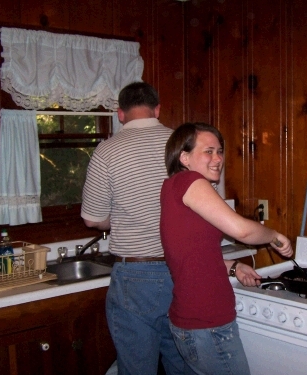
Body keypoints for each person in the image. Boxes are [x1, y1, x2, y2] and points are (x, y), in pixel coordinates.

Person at [160, 122, 294, 375]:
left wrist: (234, 266)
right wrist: (274, 236)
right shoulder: (190, 181)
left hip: (192, 320)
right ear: (184, 157)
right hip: (206, 323)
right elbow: (241, 230)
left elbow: (190, 256)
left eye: (219, 151)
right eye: (208, 151)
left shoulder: (175, 188)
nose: (218, 158)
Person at [81, 82, 186, 375]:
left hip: (136, 277)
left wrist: (121, 216)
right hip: (182, 271)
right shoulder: (182, 146)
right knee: (182, 363)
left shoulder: (108, 151)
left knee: (138, 367)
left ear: (120, 114)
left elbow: (92, 219)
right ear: (157, 109)